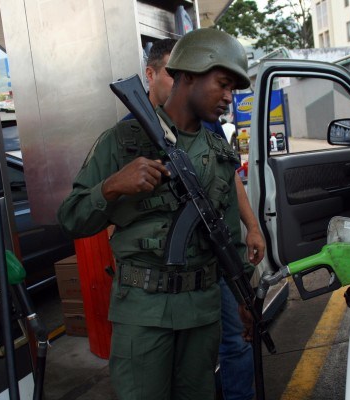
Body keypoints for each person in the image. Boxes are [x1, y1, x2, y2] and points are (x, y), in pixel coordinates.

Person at [57, 29, 256, 400]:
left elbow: (227, 236)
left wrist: (245, 295)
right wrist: (112, 186)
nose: (230, 97)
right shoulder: (122, 141)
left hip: (201, 314)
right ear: (191, 74)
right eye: (223, 84)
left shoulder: (219, 151)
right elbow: (70, 218)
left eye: (234, 88)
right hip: (143, 315)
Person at [143, 38, 264, 400]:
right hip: (165, 273)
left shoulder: (206, 125)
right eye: (171, 72)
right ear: (154, 76)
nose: (226, 96)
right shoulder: (133, 131)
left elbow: (230, 178)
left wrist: (253, 226)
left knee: (236, 342)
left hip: (215, 256)